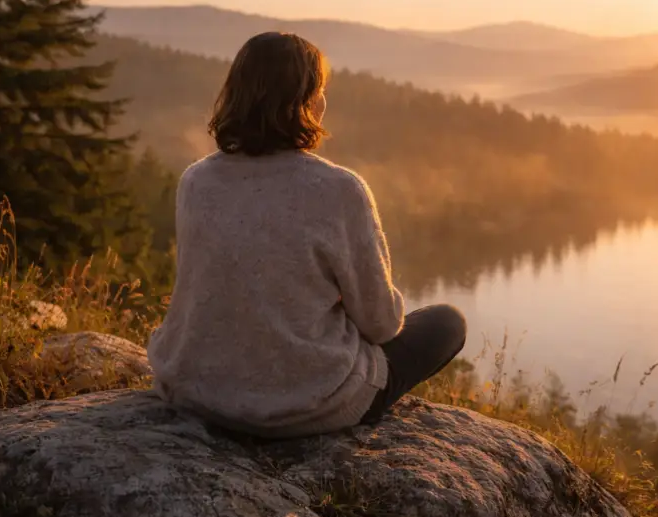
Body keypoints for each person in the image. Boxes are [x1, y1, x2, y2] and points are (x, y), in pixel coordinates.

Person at [146, 32, 467, 439]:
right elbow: (381, 324)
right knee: (447, 323)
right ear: (305, 102)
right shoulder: (339, 190)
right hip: (306, 404)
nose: (323, 101)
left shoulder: (196, 181)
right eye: (320, 91)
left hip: (196, 390)